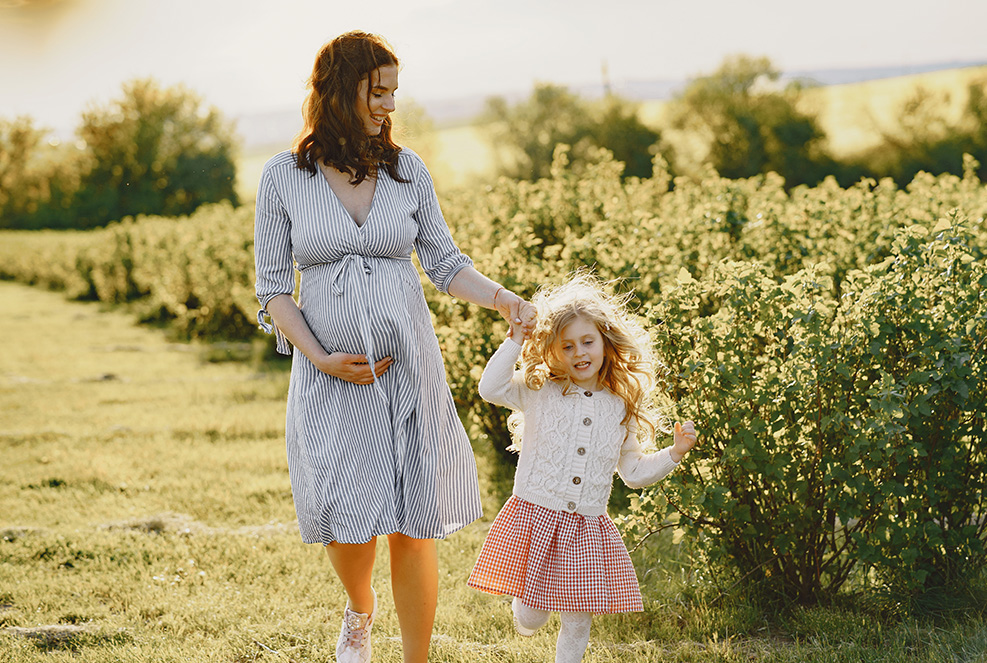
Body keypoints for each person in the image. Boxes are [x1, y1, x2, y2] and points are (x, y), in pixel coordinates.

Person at [253, 31, 536, 663]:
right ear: (337, 90)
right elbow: (272, 288)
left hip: (408, 367)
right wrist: (318, 356)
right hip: (331, 374)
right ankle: (360, 613)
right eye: (376, 91)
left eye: (393, 94)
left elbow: (443, 261)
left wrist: (503, 299)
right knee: (348, 518)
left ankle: (416, 658)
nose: (387, 105)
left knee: (414, 521)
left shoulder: (407, 172)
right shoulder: (284, 176)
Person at [467, 272, 698, 663]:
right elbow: (490, 389)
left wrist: (673, 453)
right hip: (537, 515)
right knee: (533, 614)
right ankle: (524, 611)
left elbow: (634, 472)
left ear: (605, 342)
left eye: (587, 342)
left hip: (587, 526)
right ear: (553, 351)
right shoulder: (540, 388)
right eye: (567, 346)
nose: (579, 353)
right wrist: (516, 339)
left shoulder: (619, 405)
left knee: (578, 619)